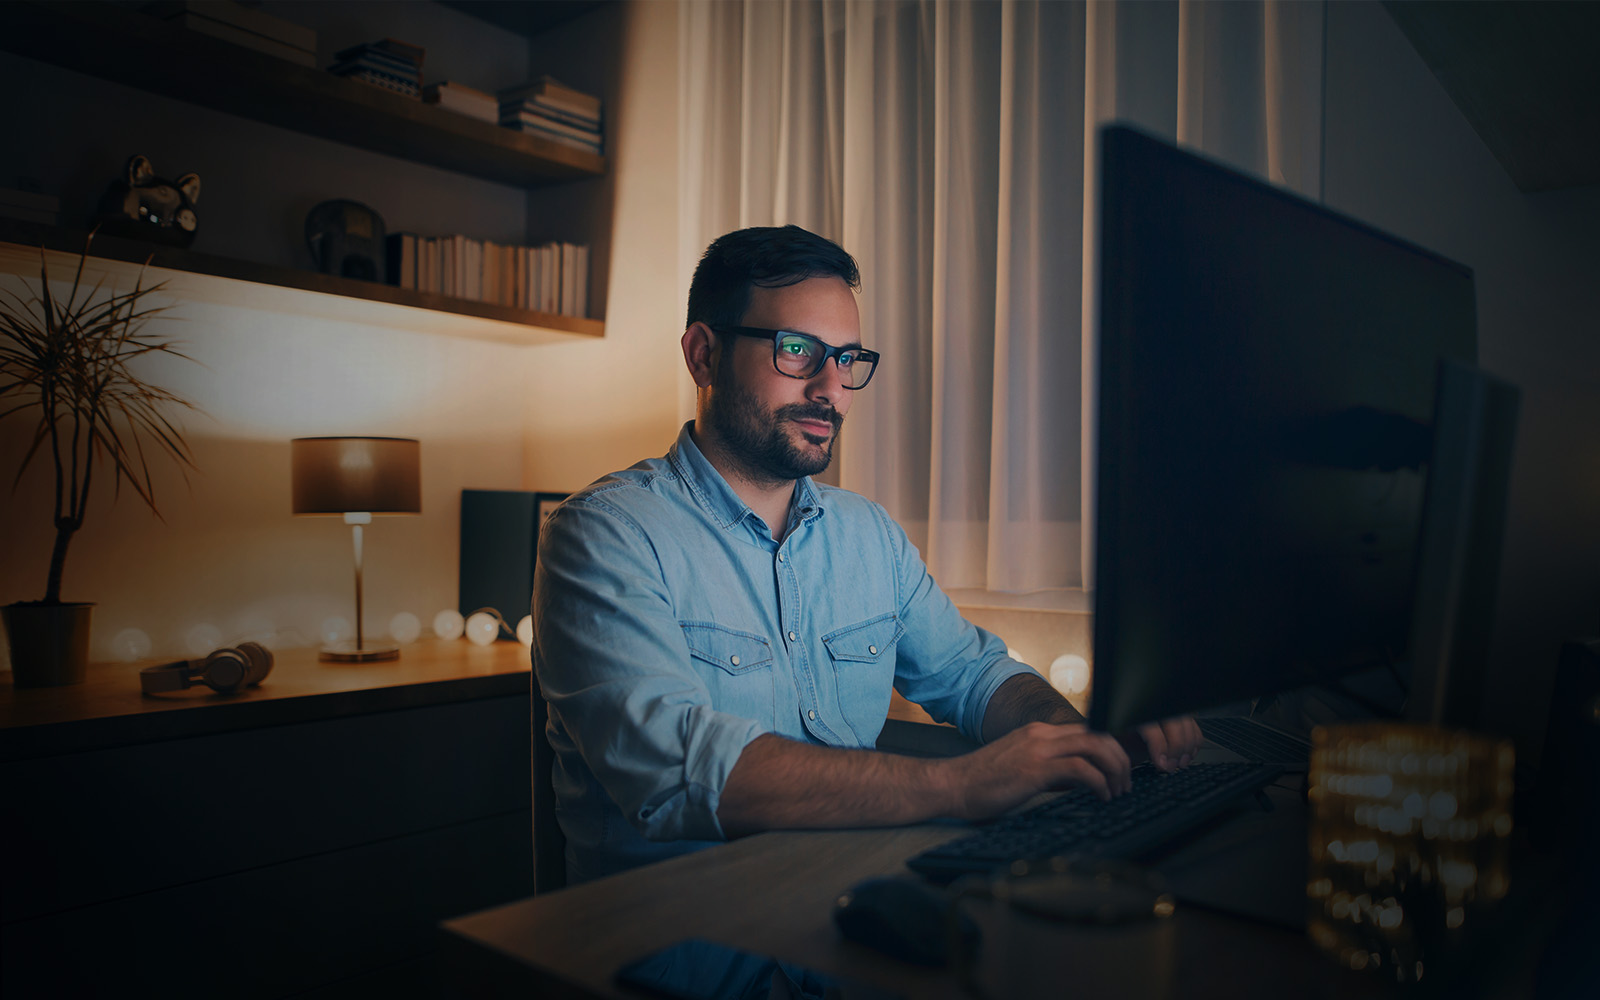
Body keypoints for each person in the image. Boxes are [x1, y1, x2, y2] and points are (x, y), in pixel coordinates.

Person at [532, 224, 1201, 884]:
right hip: (680, 956)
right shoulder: (604, 535)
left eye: (847, 358)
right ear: (703, 355)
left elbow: (974, 675)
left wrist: (1080, 739)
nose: (830, 387)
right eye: (798, 350)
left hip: (841, 924)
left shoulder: (868, 535)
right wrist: (961, 785)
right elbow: (678, 771)